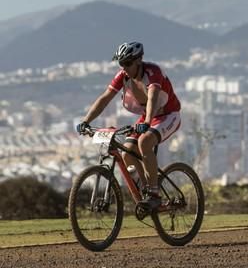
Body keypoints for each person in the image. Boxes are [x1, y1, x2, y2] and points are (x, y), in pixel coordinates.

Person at [76, 42, 182, 210]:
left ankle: (154, 193)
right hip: (147, 117)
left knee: (144, 142)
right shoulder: (123, 76)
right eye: (121, 63)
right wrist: (86, 121)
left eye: (127, 63)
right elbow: (105, 98)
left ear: (139, 61)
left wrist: (147, 122)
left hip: (168, 115)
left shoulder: (152, 72)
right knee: (127, 151)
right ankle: (146, 189)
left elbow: (153, 98)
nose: (124, 68)